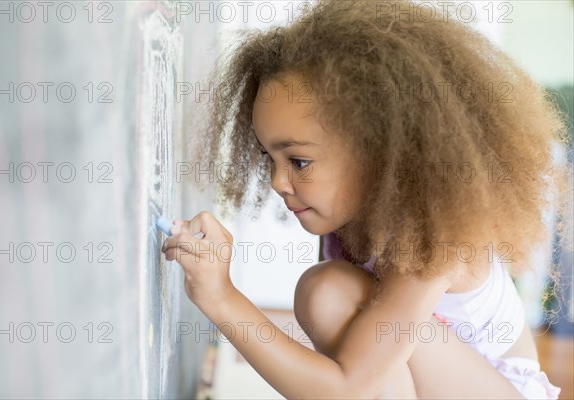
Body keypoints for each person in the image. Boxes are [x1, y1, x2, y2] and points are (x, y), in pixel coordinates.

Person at [162, 0, 571, 398]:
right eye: (270, 158)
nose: (277, 182)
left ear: (379, 149)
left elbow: (347, 388)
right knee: (332, 299)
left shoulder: (434, 237)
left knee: (327, 293)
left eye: (299, 161)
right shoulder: (353, 220)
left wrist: (222, 298)